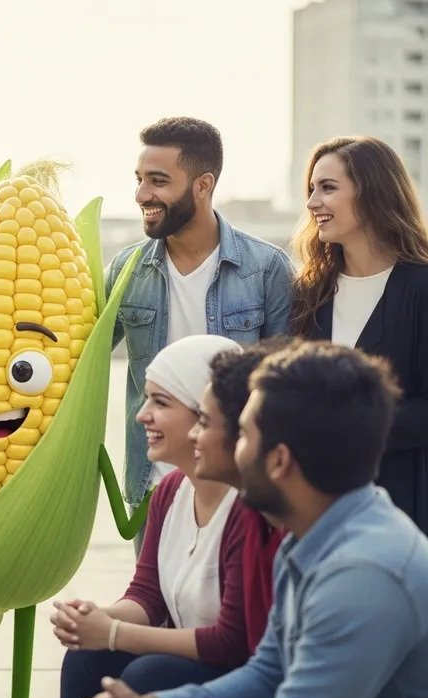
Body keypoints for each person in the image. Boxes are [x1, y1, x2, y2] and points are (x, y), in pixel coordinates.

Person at [76, 340, 428, 698]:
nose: (224, 447)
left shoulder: (364, 573)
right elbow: (266, 673)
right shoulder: (309, 535)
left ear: (279, 461)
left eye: (241, 435)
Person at [55, 334, 278, 698]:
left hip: (235, 673)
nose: (141, 415)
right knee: (85, 658)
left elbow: (232, 642)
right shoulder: (170, 491)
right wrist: (96, 619)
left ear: (204, 415)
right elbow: (148, 597)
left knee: (145, 676)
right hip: (188, 658)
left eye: (160, 402)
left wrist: (113, 635)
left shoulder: (249, 509)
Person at [106, 117, 294, 555]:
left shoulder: (267, 270)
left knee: (235, 619)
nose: (142, 195)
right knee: (154, 614)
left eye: (158, 181)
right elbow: (78, 360)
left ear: (202, 185)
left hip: (239, 486)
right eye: (139, 180)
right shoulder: (125, 270)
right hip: (152, 486)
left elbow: (284, 388)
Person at [292, 136, 428, 534]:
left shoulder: (421, 289)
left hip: (403, 514)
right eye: (312, 189)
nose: (312, 202)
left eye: (328, 188)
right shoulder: (308, 293)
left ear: (373, 194)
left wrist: (349, 425)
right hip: (318, 514)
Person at [190, 341, 286, 652]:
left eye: (203, 423)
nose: (193, 434)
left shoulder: (314, 540)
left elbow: (236, 645)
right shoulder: (253, 511)